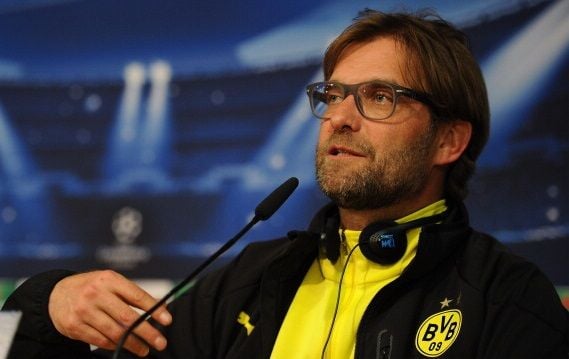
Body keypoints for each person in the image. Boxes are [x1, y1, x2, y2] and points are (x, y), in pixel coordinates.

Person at [3, 9, 568, 359]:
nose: (340, 117)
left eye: (378, 97)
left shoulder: (511, 302)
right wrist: (50, 302)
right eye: (332, 95)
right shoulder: (245, 284)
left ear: (449, 141)